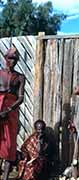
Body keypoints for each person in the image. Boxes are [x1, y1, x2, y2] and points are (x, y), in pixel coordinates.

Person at [0, 48, 25, 180]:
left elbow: (21, 97)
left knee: (9, 144)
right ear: (5, 58)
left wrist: (8, 110)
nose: (11, 61)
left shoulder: (20, 77)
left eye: (14, 59)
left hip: (11, 111)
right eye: (9, 58)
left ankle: (5, 176)